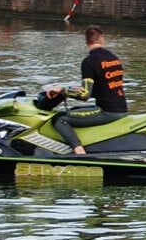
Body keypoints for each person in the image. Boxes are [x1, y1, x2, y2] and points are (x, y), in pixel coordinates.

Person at [45, 25, 128, 156]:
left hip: (107, 111)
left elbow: (85, 94)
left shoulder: (89, 62)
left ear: (87, 41)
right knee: (73, 111)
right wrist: (70, 89)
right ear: (102, 39)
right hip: (121, 108)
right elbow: (103, 86)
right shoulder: (114, 58)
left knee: (59, 119)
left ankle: (79, 152)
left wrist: (62, 90)